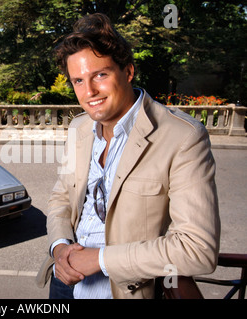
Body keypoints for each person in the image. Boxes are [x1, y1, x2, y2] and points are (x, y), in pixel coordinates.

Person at [36, 13, 220, 299]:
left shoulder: (183, 136)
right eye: (78, 81)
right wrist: (59, 247)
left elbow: (197, 249)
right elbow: (61, 198)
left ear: (128, 71)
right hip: (65, 282)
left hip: (125, 289)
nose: (89, 92)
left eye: (100, 75)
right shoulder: (78, 128)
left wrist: (99, 260)